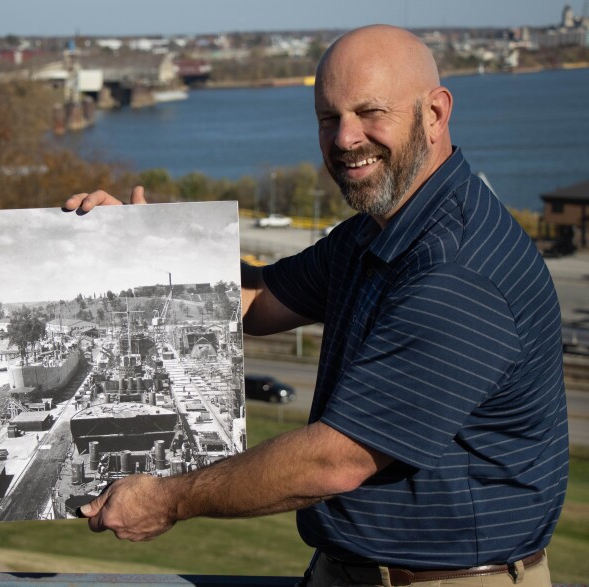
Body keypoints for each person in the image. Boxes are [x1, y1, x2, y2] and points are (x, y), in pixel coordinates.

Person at [63, 25, 568, 586]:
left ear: (434, 113)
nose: (346, 138)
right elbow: (256, 303)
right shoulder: (375, 235)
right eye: (329, 118)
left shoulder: (457, 269)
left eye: (370, 112)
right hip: (349, 571)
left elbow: (336, 459)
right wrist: (144, 250)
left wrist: (168, 499)